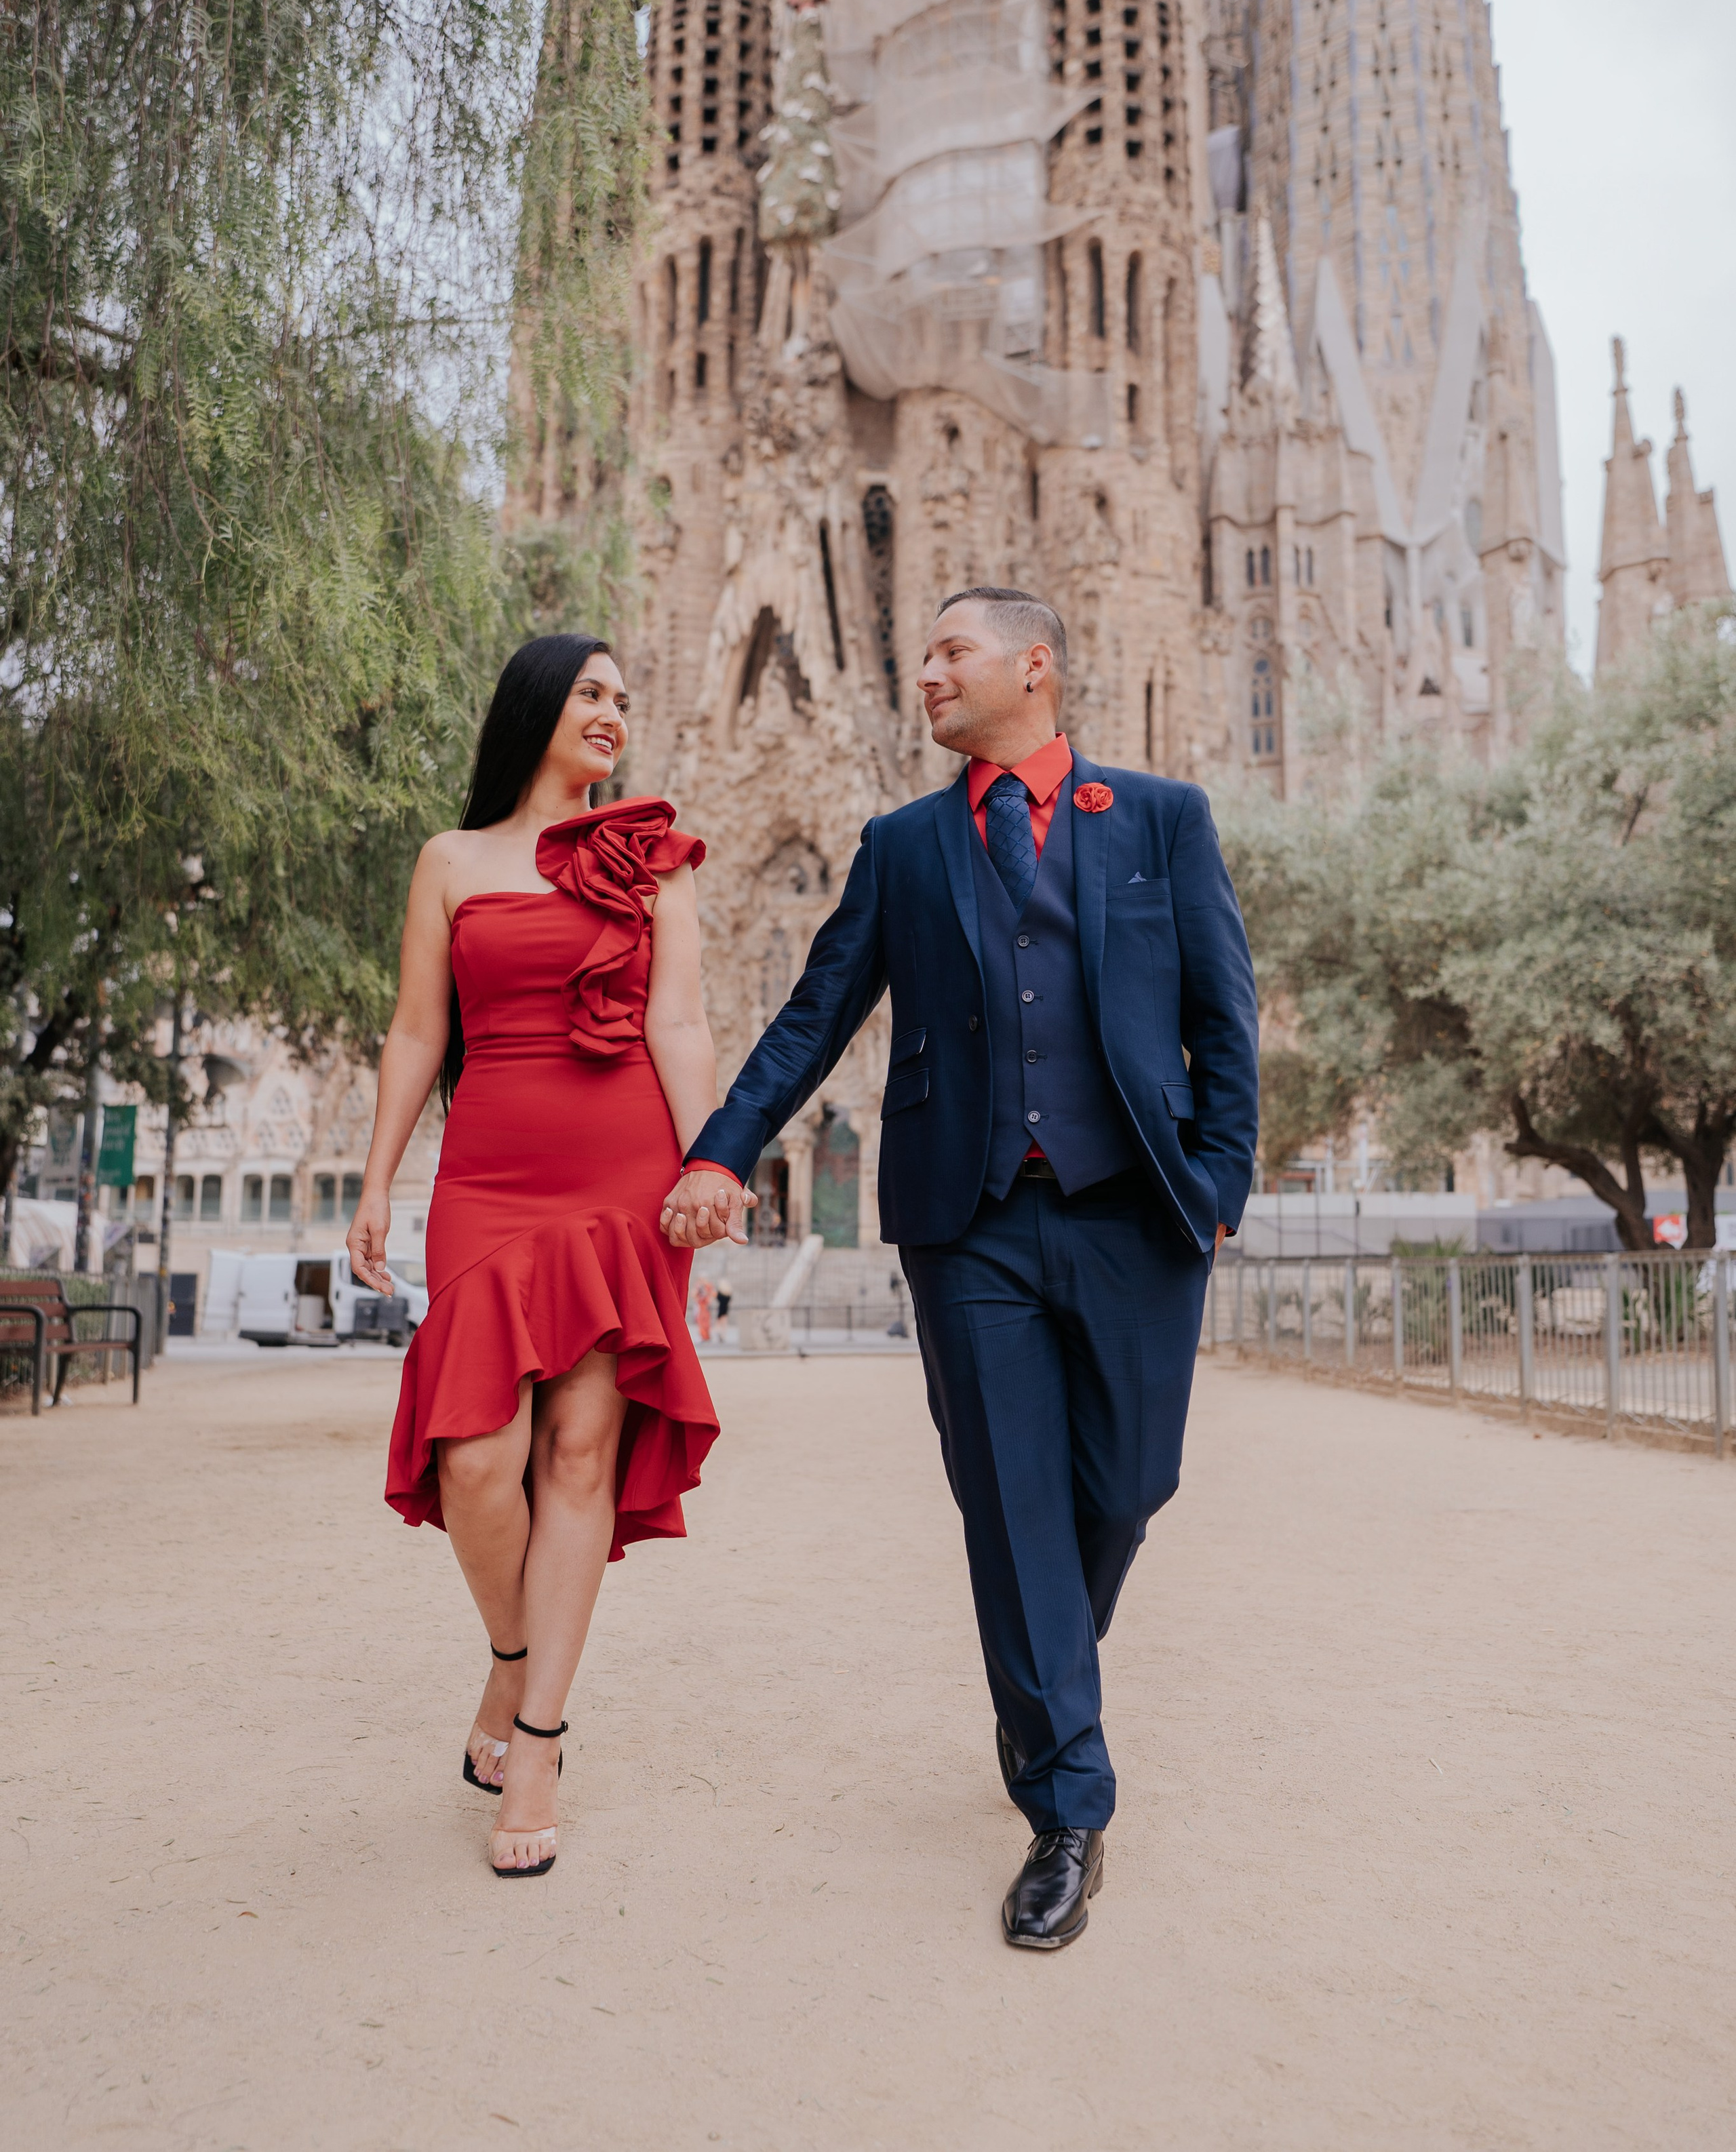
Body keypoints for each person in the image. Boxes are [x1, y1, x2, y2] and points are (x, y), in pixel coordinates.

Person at [663, 587, 1258, 1949]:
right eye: (919, 652)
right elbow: (814, 1014)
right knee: (1011, 1506)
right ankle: (1068, 1809)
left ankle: (1041, 1677)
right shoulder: (905, 845)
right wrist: (718, 1151)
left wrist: (1217, 1183)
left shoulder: (1159, 818)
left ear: (1031, 669)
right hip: (967, 1221)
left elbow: (1222, 1018)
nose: (922, 672)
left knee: (1126, 1487)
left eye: (949, 652)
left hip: (1135, 1215)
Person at [351, 633, 726, 1879]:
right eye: (591, 693)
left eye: (625, 698)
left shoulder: (652, 857)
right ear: (532, 710)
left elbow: (678, 1018)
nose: (614, 713)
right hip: (490, 1177)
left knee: (579, 1449)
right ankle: (515, 1669)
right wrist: (375, 1181)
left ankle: (542, 1744)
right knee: (475, 1456)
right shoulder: (450, 861)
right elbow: (417, 1030)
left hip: (624, 1176)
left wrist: (707, 1180)